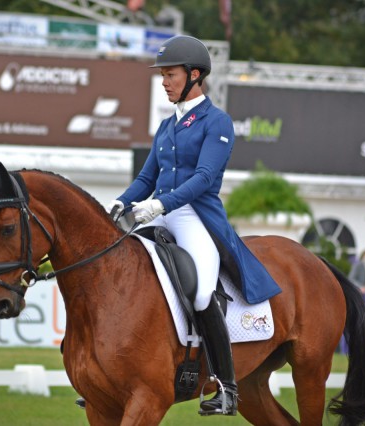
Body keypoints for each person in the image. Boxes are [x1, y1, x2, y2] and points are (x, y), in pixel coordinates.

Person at [106, 35, 281, 416]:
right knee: (120, 270)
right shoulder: (167, 127)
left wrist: (159, 205)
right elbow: (146, 177)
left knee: (202, 293)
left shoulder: (216, 122)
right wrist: (122, 201)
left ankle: (226, 386)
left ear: (195, 75)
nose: (165, 82)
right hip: (157, 212)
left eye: (170, 75)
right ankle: (111, 373)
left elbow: (204, 177)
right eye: (163, 75)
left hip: (194, 217)